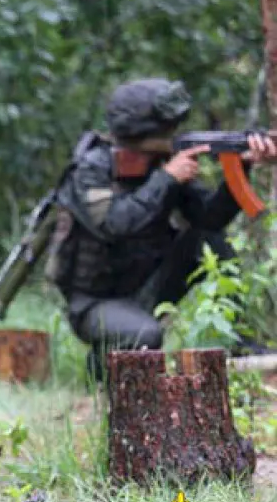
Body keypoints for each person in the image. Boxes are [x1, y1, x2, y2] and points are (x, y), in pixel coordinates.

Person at [48, 78, 277, 381]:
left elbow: (210, 219)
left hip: (149, 287)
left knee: (206, 240)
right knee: (146, 335)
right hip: (94, 303)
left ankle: (235, 340)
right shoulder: (92, 168)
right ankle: (103, 364)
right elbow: (114, 225)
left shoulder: (162, 164)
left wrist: (242, 165)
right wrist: (167, 179)